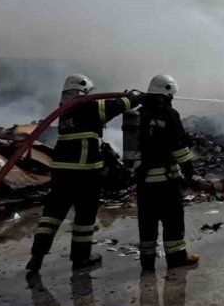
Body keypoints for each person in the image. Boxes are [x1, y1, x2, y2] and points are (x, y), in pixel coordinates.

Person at [27, 74, 142, 272]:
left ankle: (36, 257)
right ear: (84, 91)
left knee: (52, 215)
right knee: (85, 217)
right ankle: (81, 258)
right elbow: (114, 107)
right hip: (85, 172)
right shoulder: (86, 106)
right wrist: (133, 98)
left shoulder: (65, 112)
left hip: (62, 172)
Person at [136, 74, 198, 271]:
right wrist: (190, 173)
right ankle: (177, 257)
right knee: (172, 220)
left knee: (147, 221)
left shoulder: (139, 114)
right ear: (168, 91)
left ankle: (147, 261)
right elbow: (178, 147)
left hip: (144, 181)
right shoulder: (169, 114)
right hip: (166, 180)